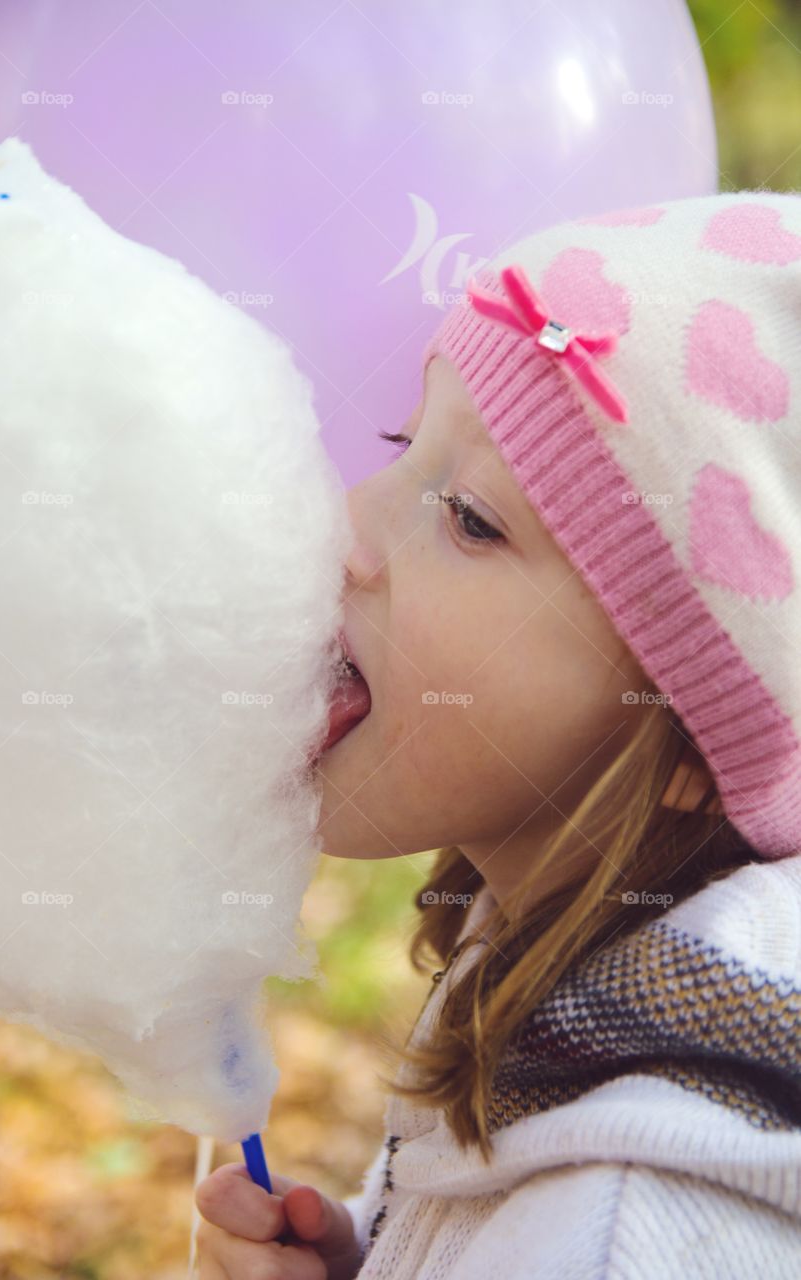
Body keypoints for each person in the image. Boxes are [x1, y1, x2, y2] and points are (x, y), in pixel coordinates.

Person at [194, 189, 801, 1278]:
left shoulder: (639, 1227)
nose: (345, 526)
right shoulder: (568, 983)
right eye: (400, 443)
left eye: (470, 518)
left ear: (694, 744)